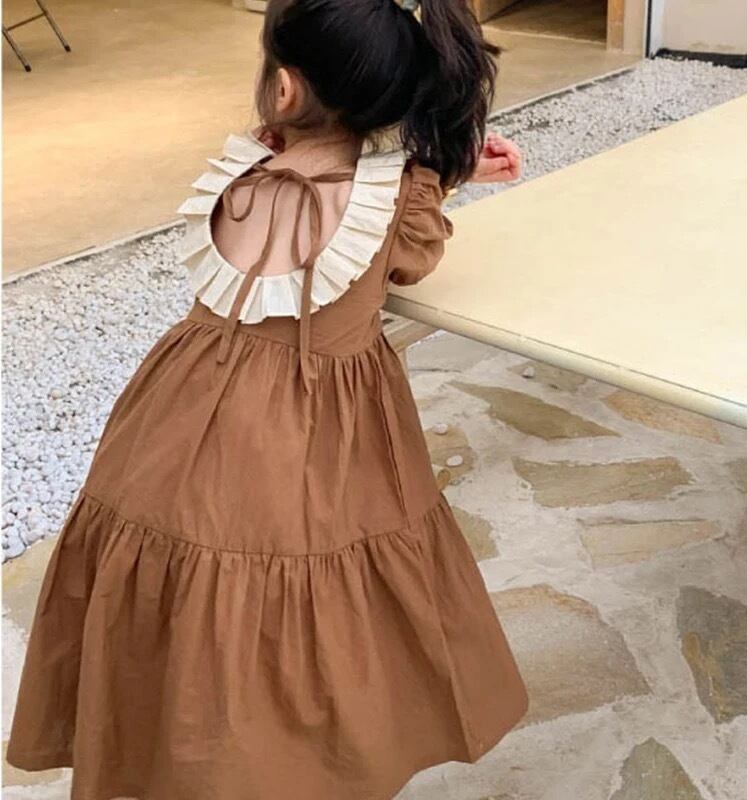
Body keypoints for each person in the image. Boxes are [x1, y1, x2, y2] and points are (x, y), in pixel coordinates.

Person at [6, 0, 527, 797]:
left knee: (193, 604)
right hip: (311, 434)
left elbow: (303, 168)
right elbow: (410, 260)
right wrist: (445, 174)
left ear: (283, 91)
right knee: (312, 598)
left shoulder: (240, 173)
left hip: (174, 422)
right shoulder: (397, 202)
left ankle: (179, 756)